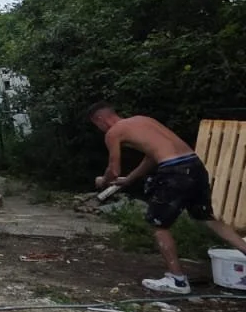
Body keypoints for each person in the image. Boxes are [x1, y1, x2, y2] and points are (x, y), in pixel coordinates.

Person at [89, 103, 246, 293]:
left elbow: (113, 170)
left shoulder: (113, 133)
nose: (99, 129)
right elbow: (152, 156)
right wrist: (130, 179)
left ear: (100, 120)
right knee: (207, 217)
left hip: (174, 172)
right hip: (195, 166)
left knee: (158, 224)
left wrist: (103, 180)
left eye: (96, 125)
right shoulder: (143, 120)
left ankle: (178, 281)